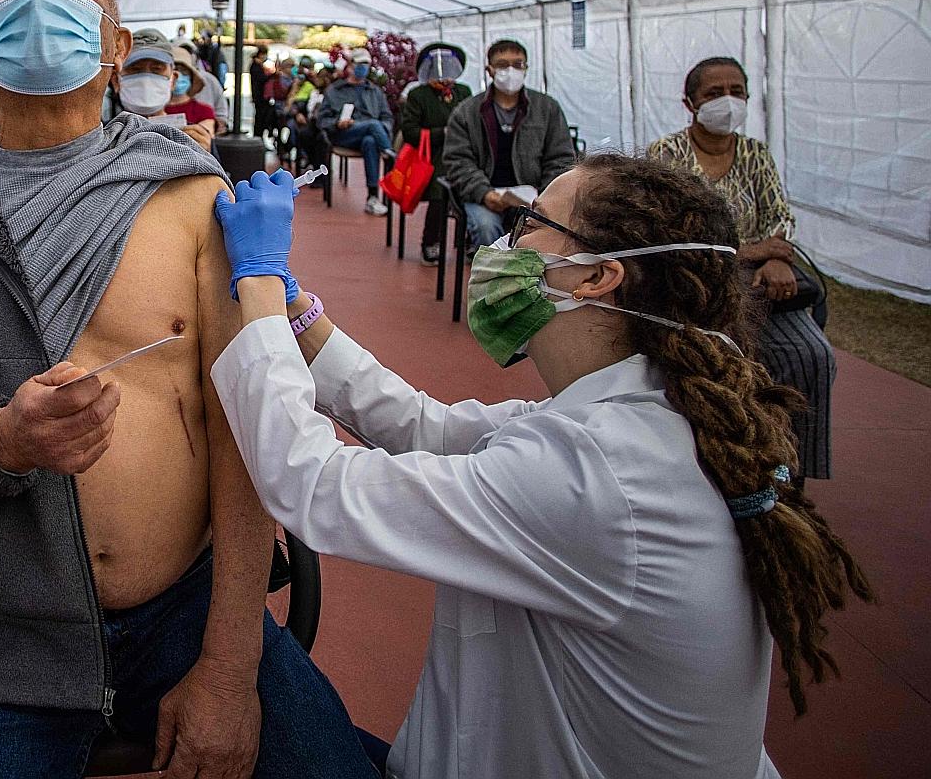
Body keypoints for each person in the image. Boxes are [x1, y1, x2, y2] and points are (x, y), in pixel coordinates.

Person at [0, 0, 375, 779]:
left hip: (186, 612)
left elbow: (243, 434)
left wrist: (230, 670)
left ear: (118, 46)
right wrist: (0, 442)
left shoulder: (192, 197)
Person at [210, 155, 873, 779]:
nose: (505, 245)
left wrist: (258, 281)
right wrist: (295, 310)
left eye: (532, 226)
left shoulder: (602, 471)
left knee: (219, 659)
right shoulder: (634, 417)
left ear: (595, 275)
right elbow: (429, 428)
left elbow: (314, 483)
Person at [649, 56, 837, 481]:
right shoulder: (668, 153)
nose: (728, 102)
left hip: (763, 287)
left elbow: (780, 218)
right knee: (716, 361)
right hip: (695, 289)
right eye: (714, 94)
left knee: (812, 356)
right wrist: (753, 251)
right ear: (689, 103)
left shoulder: (755, 154)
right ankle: (719, 468)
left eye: (737, 92)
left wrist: (774, 258)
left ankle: (792, 473)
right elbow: (673, 233)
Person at [442, 38, 575, 251]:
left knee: (547, 232)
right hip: (484, 196)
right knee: (486, 227)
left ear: (526, 68)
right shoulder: (467, 112)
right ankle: (491, 280)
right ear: (490, 70)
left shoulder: (547, 108)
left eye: (518, 64)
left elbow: (561, 158)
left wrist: (544, 197)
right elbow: (457, 160)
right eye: (503, 65)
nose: (511, 71)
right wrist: (484, 193)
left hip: (533, 197)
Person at [400, 42, 471, 263]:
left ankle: (468, 241)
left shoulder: (463, 92)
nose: (445, 76)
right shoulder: (419, 95)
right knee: (440, 189)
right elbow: (410, 131)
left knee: (473, 187)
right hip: (430, 155)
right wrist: (443, 133)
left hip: (462, 152)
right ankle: (431, 242)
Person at [316, 47, 393, 216]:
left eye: (367, 64)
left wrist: (383, 128)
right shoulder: (335, 90)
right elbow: (322, 120)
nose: (363, 68)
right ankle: (392, 159)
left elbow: (387, 117)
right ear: (350, 65)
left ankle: (372, 197)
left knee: (371, 141)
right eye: (360, 64)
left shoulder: (375, 91)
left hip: (369, 136)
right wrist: (338, 123)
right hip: (343, 135)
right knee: (372, 125)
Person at [115, 37, 215, 150]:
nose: (146, 80)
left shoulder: (193, 134)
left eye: (157, 69)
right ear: (115, 81)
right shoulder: (104, 137)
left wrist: (205, 155)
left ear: (173, 80)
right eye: (136, 69)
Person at [248, 46, 271, 140]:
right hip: (259, 96)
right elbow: (261, 79)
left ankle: (259, 136)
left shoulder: (258, 65)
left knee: (261, 117)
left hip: (260, 95)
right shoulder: (256, 66)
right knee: (260, 118)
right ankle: (258, 136)